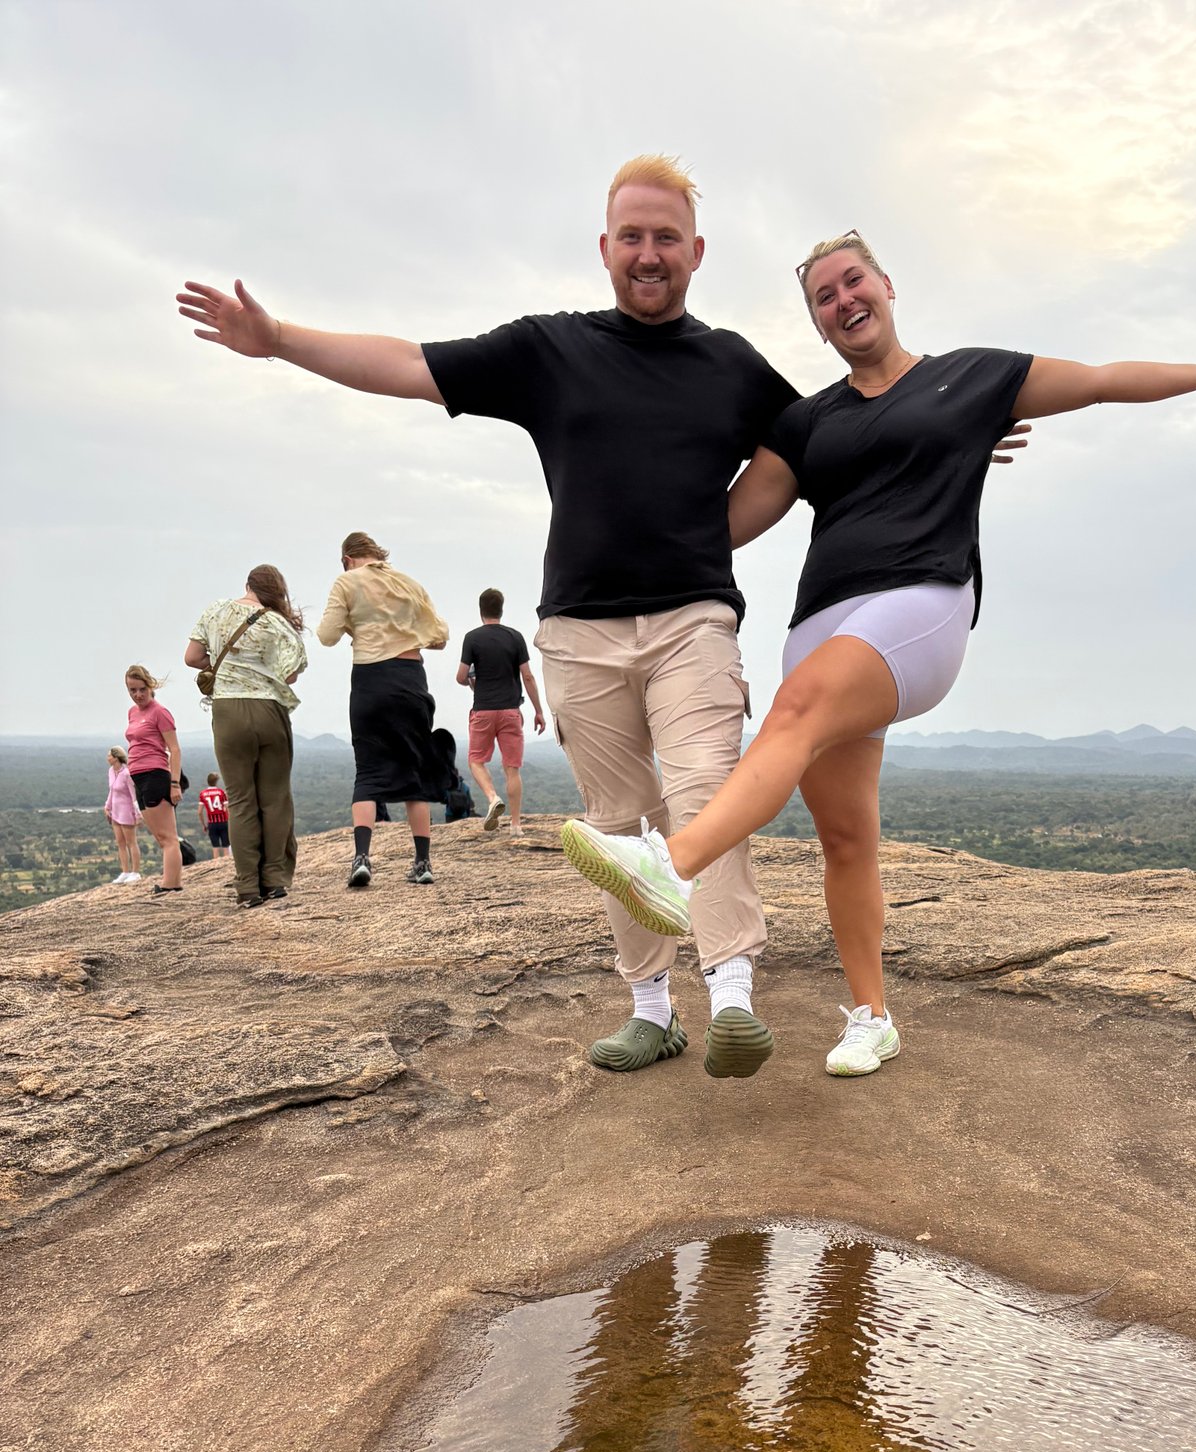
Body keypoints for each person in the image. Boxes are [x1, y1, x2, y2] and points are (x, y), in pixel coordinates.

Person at [558, 229, 1196, 1077]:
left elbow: (1093, 384)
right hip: (821, 621)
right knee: (845, 835)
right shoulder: (809, 420)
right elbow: (715, 527)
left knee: (793, 714)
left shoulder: (969, 378)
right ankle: (871, 1016)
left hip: (920, 604)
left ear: (887, 284)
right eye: (824, 298)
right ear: (819, 326)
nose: (843, 301)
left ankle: (669, 867)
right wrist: (609, 506)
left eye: (853, 281)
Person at [179, 159, 796, 1076]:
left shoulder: (733, 364)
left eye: (667, 237)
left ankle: (734, 993)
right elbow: (411, 365)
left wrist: (715, 539)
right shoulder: (554, 350)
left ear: (697, 252)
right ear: (605, 248)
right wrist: (279, 340)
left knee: (707, 791)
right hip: (579, 632)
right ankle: (652, 1007)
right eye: (632, 236)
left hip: (692, 622)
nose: (649, 252)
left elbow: (810, 447)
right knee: (619, 824)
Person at [315, 533, 450, 888]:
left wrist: (354, 625)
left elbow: (326, 636)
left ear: (347, 557)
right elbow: (439, 638)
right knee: (413, 771)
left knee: (368, 771)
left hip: (370, 680)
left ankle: (362, 858)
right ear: (377, 554)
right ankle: (422, 863)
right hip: (410, 679)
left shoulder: (346, 582)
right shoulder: (409, 584)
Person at [184, 564, 305, 908]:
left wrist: (227, 668)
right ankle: (276, 879)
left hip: (228, 712)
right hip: (269, 711)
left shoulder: (216, 611)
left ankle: (248, 887)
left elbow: (192, 657)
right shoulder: (277, 623)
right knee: (275, 798)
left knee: (239, 800)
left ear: (247, 585)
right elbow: (291, 675)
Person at [456, 587, 544, 837]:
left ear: (481, 610)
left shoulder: (472, 638)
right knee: (512, 768)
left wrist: (472, 681)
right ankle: (516, 826)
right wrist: (538, 711)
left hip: (483, 709)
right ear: (501, 609)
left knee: (476, 760)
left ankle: (493, 797)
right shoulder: (515, 637)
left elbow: (462, 676)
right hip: (510, 711)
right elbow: (527, 675)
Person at [123, 666, 184, 895]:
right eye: (132, 690)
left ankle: (170, 884)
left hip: (156, 775)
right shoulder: (132, 712)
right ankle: (172, 881)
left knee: (168, 837)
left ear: (151, 687)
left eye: (142, 689)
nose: (138, 694)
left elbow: (175, 750)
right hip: (138, 777)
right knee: (160, 837)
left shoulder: (160, 712)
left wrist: (175, 784)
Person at [104, 747, 141, 883]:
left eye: (109, 755)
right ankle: (125, 871)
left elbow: (133, 794)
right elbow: (112, 790)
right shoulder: (111, 771)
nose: (107, 757)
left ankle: (135, 872)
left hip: (126, 810)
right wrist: (107, 806)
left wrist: (138, 813)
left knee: (131, 842)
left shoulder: (127, 773)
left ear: (116, 757)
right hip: (115, 810)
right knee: (120, 843)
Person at [196, 773, 230, 860]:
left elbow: (199, 812)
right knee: (226, 846)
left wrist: (203, 825)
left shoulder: (203, 794)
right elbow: (227, 807)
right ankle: (226, 867)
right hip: (223, 822)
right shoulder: (221, 792)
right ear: (216, 781)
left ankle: (216, 866)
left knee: (215, 847)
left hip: (212, 823)